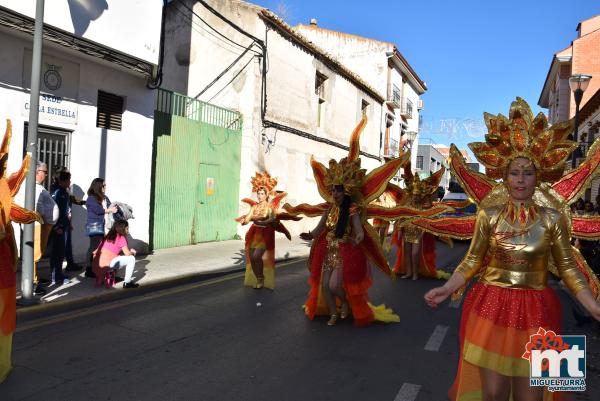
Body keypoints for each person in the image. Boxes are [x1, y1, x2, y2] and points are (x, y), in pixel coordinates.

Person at [424, 98, 600, 401]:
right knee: (492, 393)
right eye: (514, 172)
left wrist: (593, 306)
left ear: (540, 176)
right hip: (492, 306)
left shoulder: (553, 218)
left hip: (539, 310)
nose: (520, 179)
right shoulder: (489, 215)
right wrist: (447, 286)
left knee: (532, 397)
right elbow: (472, 261)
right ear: (504, 176)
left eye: (528, 172)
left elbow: (568, 268)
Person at [286, 117, 446, 326]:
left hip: (345, 250)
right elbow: (318, 230)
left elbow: (359, 231)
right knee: (325, 286)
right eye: (333, 189)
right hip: (329, 250)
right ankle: (334, 313)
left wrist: (358, 238)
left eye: (338, 190)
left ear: (346, 191)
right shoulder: (328, 208)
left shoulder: (351, 209)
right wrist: (309, 235)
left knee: (335, 285)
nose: (334, 193)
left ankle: (345, 304)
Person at [0, 120, 40, 382]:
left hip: (3, 268)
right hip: (3, 269)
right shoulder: (4, 188)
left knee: (4, 322)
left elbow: (16, 213)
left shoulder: (4, 188)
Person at [236, 172, 296, 289]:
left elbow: (273, 219)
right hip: (254, 233)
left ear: (266, 195)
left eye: (262, 194)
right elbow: (249, 217)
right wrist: (245, 221)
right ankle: (259, 278)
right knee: (252, 258)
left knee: (256, 256)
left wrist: (262, 222)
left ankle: (261, 278)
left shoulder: (270, 207)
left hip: (265, 234)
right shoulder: (254, 207)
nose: (259, 196)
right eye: (258, 193)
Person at [392, 161, 447, 280]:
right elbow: (402, 217)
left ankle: (415, 274)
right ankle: (409, 272)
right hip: (407, 231)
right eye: (414, 195)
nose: (416, 197)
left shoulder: (424, 206)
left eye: (417, 195)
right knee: (406, 253)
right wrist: (400, 230)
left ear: (420, 195)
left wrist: (422, 232)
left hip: (418, 232)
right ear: (412, 194)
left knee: (415, 253)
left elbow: (427, 219)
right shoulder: (407, 204)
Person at [33, 162, 58, 295]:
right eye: (45, 172)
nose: (46, 174)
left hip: (43, 224)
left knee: (37, 253)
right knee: (34, 254)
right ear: (37, 172)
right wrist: (42, 220)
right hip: (38, 225)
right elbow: (37, 206)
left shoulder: (38, 187)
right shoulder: (35, 188)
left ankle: (35, 279)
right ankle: (32, 283)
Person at [85, 178, 117, 278]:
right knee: (94, 248)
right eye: (104, 185)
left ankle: (99, 268)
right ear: (98, 186)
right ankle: (89, 269)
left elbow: (110, 206)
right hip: (95, 227)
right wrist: (110, 210)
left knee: (103, 248)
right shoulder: (91, 198)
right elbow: (98, 210)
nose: (105, 187)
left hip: (105, 226)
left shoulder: (104, 197)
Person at [92, 219, 139, 288]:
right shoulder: (121, 237)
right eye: (127, 228)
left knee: (118, 257)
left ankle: (110, 277)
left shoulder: (107, 236)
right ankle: (127, 282)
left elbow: (96, 251)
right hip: (107, 264)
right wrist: (133, 252)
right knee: (131, 259)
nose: (128, 230)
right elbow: (127, 253)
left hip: (96, 264)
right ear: (123, 228)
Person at [49, 171, 73, 286]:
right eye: (68, 180)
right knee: (57, 253)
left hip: (64, 226)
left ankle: (58, 274)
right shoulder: (57, 192)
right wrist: (56, 226)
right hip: (58, 228)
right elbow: (53, 210)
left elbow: (65, 210)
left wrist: (68, 223)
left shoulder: (64, 192)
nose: (70, 182)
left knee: (60, 252)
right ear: (62, 181)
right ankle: (56, 277)